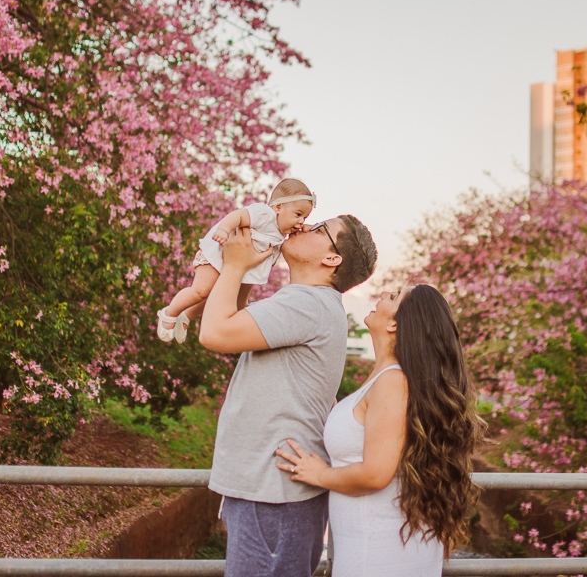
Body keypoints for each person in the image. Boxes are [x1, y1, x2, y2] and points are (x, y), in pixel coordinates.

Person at [199, 215, 378, 577]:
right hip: (270, 489)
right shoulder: (308, 303)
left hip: (272, 490)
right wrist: (246, 269)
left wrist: (234, 264)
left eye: (317, 230)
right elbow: (228, 318)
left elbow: (214, 333)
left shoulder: (308, 303)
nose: (301, 227)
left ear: (332, 259)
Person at [275, 285, 486, 577]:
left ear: (394, 324)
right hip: (380, 548)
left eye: (393, 296)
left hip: (379, 556)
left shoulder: (392, 383)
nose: (383, 294)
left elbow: (375, 473)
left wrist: (321, 475)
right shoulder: (385, 379)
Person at [156, 178, 317, 344]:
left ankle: (187, 315)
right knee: (201, 290)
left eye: (304, 218)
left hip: (243, 269)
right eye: (298, 214)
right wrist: (224, 229)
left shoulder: (281, 233)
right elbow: (238, 216)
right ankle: (169, 313)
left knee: (226, 300)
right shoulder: (265, 214)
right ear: (278, 207)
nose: (301, 221)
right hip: (217, 255)